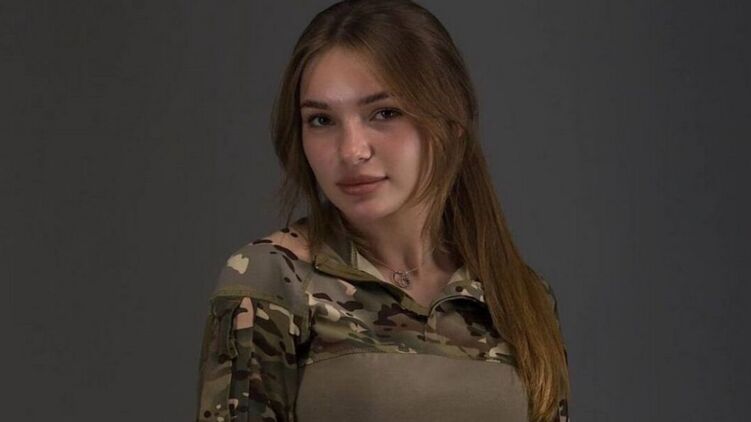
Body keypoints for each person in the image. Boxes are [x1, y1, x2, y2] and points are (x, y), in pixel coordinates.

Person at [194, 1, 571, 421]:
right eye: (321, 120)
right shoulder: (275, 278)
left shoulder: (518, 295)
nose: (351, 151)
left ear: (452, 125)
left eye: (384, 113)